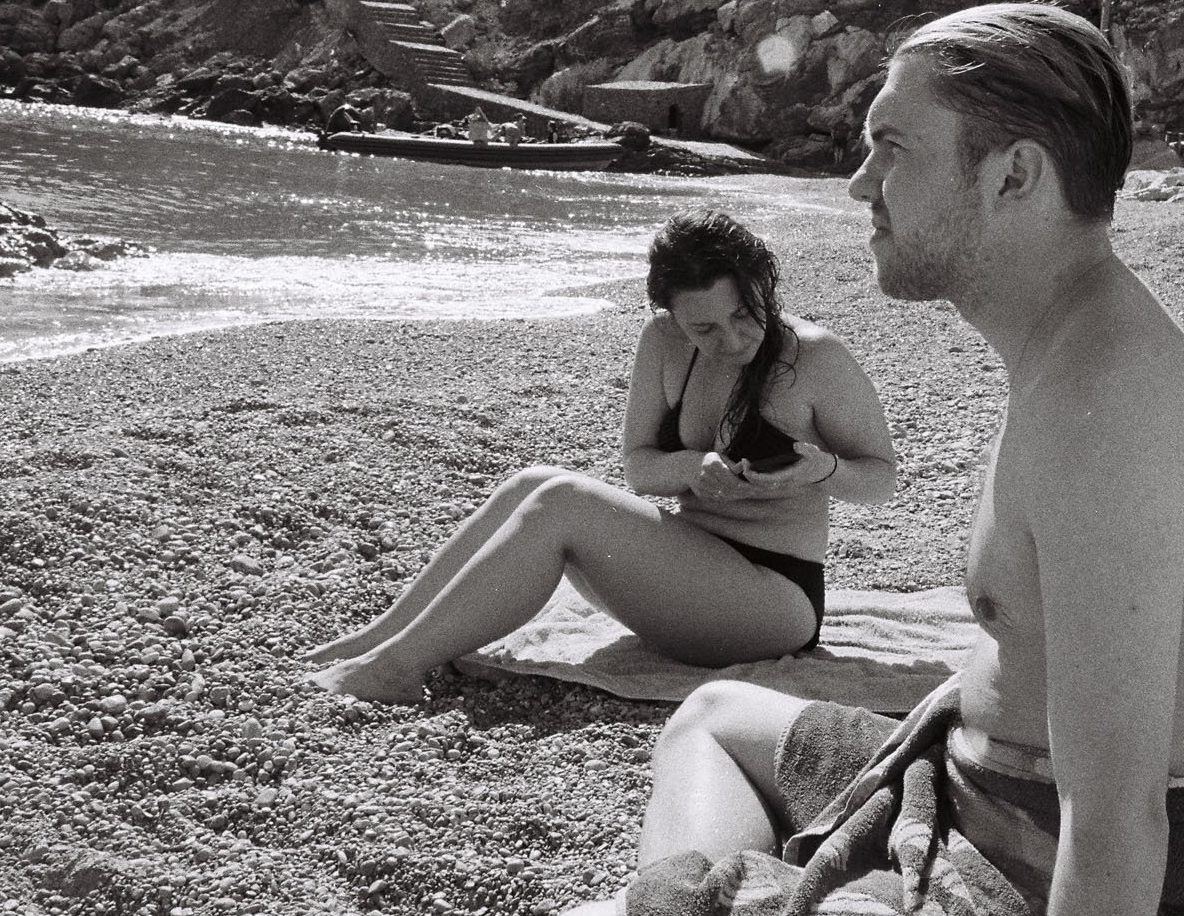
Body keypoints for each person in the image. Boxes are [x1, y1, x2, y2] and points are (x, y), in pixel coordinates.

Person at [398, 3, 1184, 916]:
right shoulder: (1067, 351)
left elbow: (1115, 823)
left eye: (890, 148)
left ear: (1012, 177)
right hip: (977, 797)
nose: (859, 186)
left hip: (1060, 909)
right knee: (713, 714)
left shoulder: (1108, 410)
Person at [306, 210, 896, 702]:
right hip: (681, 573)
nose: (734, 340)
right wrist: (692, 469)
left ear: (762, 285)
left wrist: (825, 469)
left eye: (744, 313)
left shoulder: (816, 359)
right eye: (705, 329)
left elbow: (883, 481)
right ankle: (379, 639)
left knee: (561, 501)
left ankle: (396, 669)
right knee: (531, 482)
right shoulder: (664, 343)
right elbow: (640, 467)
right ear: (672, 317)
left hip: (774, 600)